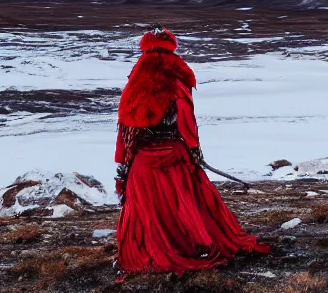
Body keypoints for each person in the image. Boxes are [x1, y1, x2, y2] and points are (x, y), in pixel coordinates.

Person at [113, 25, 270, 278]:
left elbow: (124, 131)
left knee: (149, 212)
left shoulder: (133, 88)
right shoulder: (176, 83)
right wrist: (195, 150)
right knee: (189, 204)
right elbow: (187, 123)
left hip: (142, 166)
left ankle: (153, 253)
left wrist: (123, 166)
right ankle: (194, 246)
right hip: (175, 159)